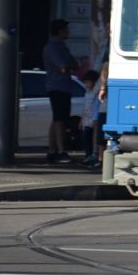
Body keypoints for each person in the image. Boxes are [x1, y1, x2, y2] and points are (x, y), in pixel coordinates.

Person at [42, 19, 80, 163]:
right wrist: (69, 65)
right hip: (57, 86)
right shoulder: (53, 47)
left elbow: (74, 65)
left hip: (62, 86)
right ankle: (60, 151)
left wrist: (70, 65)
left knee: (57, 118)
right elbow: (64, 67)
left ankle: (52, 150)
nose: (68, 32)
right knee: (60, 119)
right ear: (60, 31)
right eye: (66, 30)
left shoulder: (62, 46)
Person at [78, 70, 99, 166]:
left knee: (92, 137)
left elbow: (95, 106)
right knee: (86, 137)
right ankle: (87, 154)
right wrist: (81, 120)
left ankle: (93, 155)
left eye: (88, 82)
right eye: (85, 82)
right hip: (86, 119)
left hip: (93, 118)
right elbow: (84, 107)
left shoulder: (95, 92)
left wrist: (95, 118)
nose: (86, 84)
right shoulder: (87, 93)